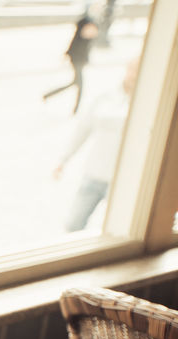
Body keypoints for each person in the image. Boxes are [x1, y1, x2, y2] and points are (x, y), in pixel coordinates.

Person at [54, 56, 139, 232]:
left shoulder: (149, 103)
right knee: (73, 224)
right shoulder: (105, 97)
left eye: (140, 70)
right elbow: (82, 130)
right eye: (133, 69)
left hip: (124, 179)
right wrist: (63, 159)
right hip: (94, 174)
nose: (134, 75)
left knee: (120, 229)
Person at [42, 11, 98, 113]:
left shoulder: (83, 26)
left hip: (78, 59)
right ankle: (76, 109)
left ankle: (49, 95)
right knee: (79, 84)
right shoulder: (88, 26)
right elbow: (79, 44)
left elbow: (75, 42)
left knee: (75, 83)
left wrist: (68, 53)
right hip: (78, 60)